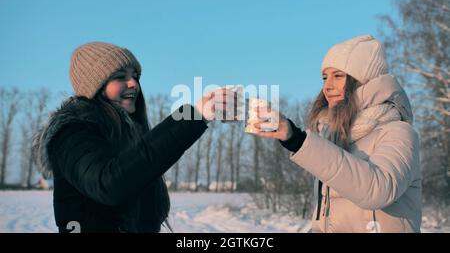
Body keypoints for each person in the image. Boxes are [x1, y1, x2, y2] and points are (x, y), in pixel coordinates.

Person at [32, 42, 234, 233]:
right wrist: (194, 117)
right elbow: (109, 184)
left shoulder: (127, 135)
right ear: (95, 86)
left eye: (135, 76)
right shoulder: (70, 134)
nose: (133, 83)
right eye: (120, 76)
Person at [254, 35, 421, 232]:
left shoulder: (398, 132)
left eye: (338, 76)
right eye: (325, 77)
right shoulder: (333, 138)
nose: (327, 86)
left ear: (363, 80)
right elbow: (324, 221)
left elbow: (377, 190)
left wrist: (298, 140)